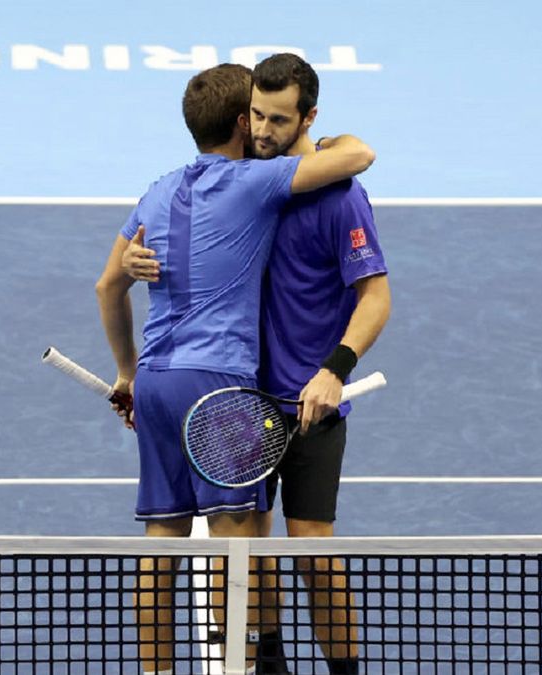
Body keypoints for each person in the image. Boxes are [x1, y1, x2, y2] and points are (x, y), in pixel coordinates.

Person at [95, 62, 375, 675]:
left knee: (161, 545)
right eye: (258, 115)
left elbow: (106, 287)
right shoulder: (257, 182)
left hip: (158, 381)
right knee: (237, 546)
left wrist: (126, 374)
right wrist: (327, 142)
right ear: (241, 123)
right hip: (218, 386)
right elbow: (360, 156)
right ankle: (243, 668)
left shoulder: (158, 190)